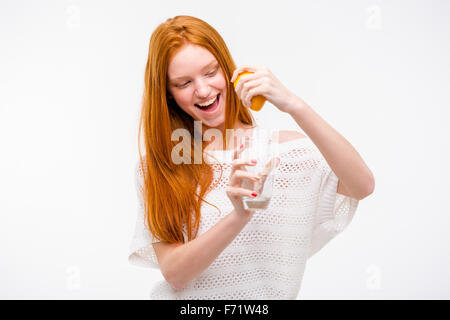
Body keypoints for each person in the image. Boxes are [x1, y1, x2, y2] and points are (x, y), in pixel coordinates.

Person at [128, 15, 375, 300]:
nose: (204, 90)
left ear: (228, 70)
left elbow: (362, 185)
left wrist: (293, 104)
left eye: (210, 72)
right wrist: (239, 216)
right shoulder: (159, 167)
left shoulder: (286, 154)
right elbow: (176, 274)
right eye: (184, 83)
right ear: (168, 95)